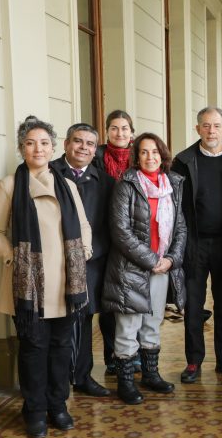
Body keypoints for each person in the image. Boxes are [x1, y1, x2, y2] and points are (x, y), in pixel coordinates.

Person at [0, 116, 92, 438]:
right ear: (21, 148)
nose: (38, 148)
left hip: (65, 282)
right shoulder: (9, 186)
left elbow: (83, 226)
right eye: (30, 143)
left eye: (44, 143)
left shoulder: (67, 184)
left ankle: (58, 405)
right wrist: (12, 257)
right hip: (28, 285)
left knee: (61, 346)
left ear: (53, 147)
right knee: (33, 347)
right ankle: (34, 410)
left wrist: (83, 251)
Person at [102, 132, 187, 404]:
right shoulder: (125, 185)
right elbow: (120, 232)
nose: (150, 157)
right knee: (128, 326)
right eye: (144, 152)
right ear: (136, 157)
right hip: (130, 269)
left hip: (162, 266)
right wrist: (153, 261)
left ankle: (151, 374)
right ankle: (126, 382)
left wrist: (171, 259)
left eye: (155, 152)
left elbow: (180, 227)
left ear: (163, 155)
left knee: (152, 323)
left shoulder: (172, 184)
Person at [171, 107, 222, 383]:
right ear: (197, 130)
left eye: (216, 126)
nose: (211, 131)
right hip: (193, 244)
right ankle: (193, 361)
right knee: (194, 305)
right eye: (206, 126)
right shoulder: (182, 162)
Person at [50, 123, 114, 397]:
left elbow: (107, 225)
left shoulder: (105, 182)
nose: (83, 148)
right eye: (78, 141)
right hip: (54, 260)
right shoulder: (49, 173)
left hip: (90, 261)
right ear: (66, 144)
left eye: (90, 144)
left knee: (84, 319)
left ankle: (83, 375)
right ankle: (56, 380)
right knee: (56, 321)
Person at [93, 109, 135, 374]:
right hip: (102, 236)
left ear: (132, 132)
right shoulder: (96, 157)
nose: (120, 133)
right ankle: (111, 357)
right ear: (107, 131)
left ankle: (134, 354)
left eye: (124, 128)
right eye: (114, 128)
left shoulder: (141, 156)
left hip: (134, 239)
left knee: (134, 300)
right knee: (108, 302)